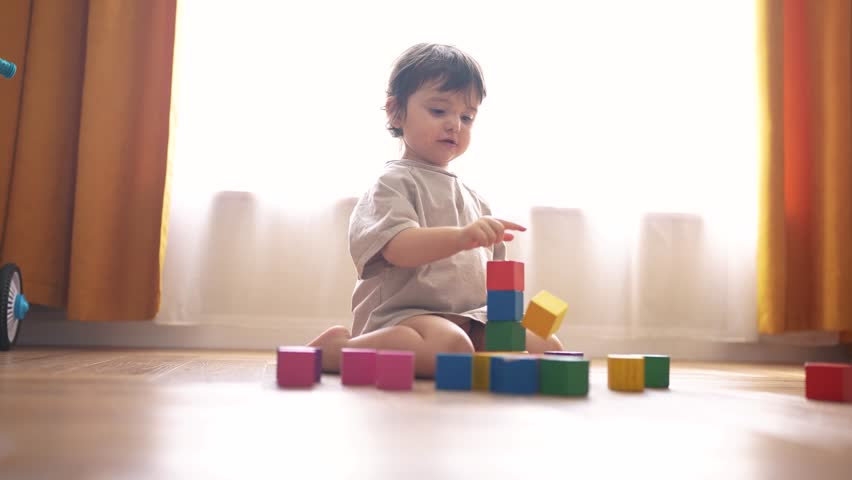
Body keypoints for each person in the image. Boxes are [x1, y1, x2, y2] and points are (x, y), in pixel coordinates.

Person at [309, 43, 563, 377]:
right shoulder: (392, 184)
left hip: (471, 317)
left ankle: (479, 353)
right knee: (450, 348)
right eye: (439, 111)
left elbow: (493, 279)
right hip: (407, 317)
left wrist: (510, 315)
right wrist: (461, 237)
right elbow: (399, 248)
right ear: (396, 112)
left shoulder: (474, 198)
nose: (454, 124)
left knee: (549, 347)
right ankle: (340, 351)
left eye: (466, 117)